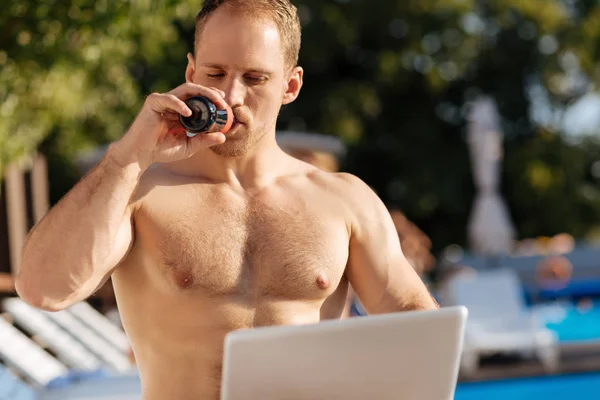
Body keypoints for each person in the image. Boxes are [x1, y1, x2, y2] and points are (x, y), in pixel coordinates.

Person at [15, 1, 439, 399]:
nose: (231, 97)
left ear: (290, 85)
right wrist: (127, 156)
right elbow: (43, 289)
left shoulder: (344, 200)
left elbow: (422, 335)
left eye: (254, 78)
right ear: (191, 70)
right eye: (215, 74)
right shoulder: (138, 193)